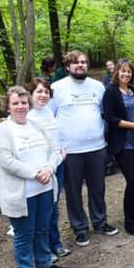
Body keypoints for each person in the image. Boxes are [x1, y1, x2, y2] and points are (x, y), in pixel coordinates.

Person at [0, 86, 69, 268]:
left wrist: (48, 169)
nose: (20, 107)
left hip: (44, 188)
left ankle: (44, 264)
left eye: (24, 102)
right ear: (8, 106)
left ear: (29, 104)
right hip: (21, 193)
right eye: (15, 103)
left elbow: (54, 150)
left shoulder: (36, 125)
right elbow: (6, 160)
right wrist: (35, 173)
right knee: (23, 233)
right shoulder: (3, 130)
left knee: (42, 227)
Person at [51, 51, 119, 247]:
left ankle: (100, 222)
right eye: (76, 63)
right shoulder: (57, 89)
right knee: (73, 192)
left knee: (98, 188)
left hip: (97, 147)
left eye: (83, 62)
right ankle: (80, 228)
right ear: (67, 67)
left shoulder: (98, 87)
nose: (80, 65)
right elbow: (49, 119)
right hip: (69, 150)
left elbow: (106, 112)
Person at [102, 59, 134, 236]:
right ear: (117, 72)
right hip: (124, 144)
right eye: (123, 71)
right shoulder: (111, 92)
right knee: (133, 181)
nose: (126, 74)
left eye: (129, 72)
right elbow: (110, 118)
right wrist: (133, 125)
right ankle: (131, 223)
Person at [26, 78, 70, 262]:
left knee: (53, 208)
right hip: (40, 171)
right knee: (41, 212)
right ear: (30, 94)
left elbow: (53, 138)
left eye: (46, 92)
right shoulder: (28, 116)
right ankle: (42, 251)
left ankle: (55, 243)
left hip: (56, 165)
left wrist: (61, 152)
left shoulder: (48, 112)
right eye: (39, 92)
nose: (43, 95)